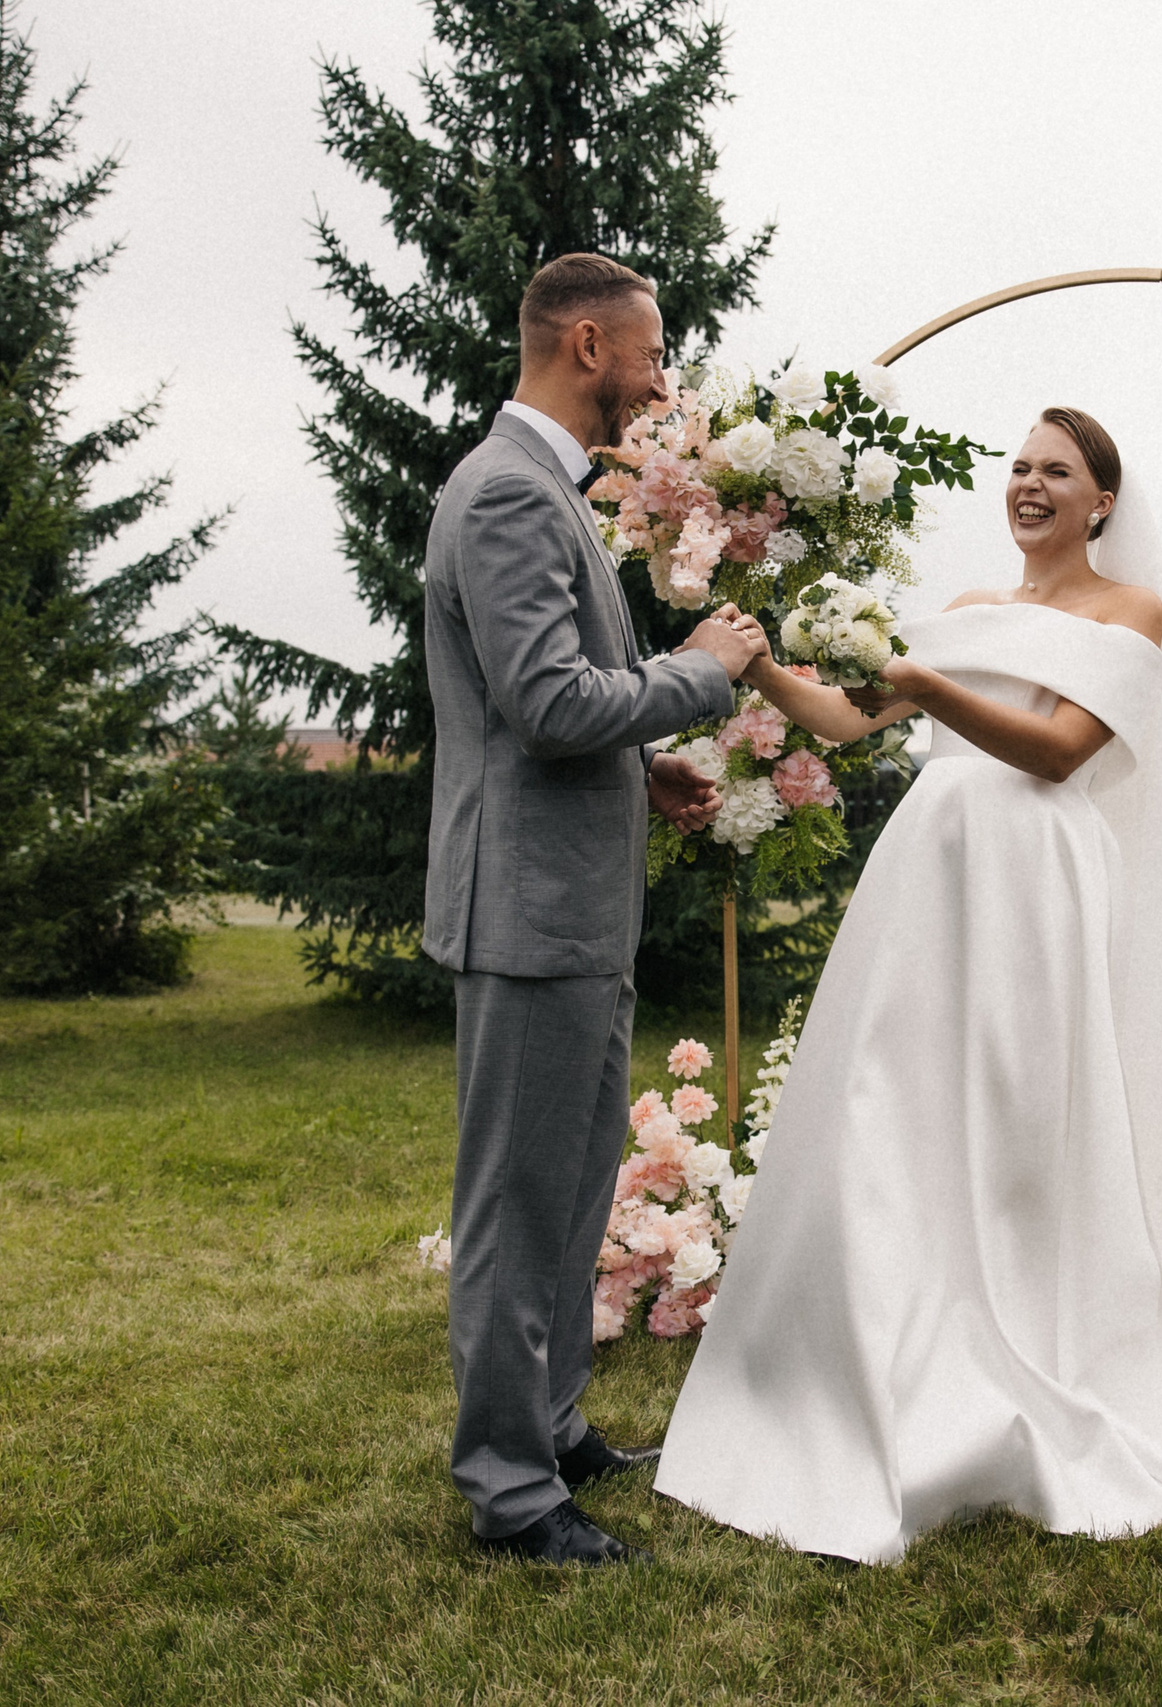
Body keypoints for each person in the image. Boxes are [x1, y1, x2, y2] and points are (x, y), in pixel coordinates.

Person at [653, 408, 1162, 1563]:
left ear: (1102, 500)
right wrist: (763, 670)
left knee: (1017, 1103)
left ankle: (1032, 1331)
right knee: (895, 1096)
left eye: (1059, 472)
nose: (1031, 486)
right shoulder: (969, 615)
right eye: (1019, 468)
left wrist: (925, 690)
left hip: (1035, 872)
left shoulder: (1129, 611)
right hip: (931, 867)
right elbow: (848, 719)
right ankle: (883, 1337)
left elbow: (1056, 752)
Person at [421, 251, 771, 1566]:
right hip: (526, 915)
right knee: (518, 1206)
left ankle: (554, 1422)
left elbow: (564, 711)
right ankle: (512, 1492)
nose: (661, 380)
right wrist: (698, 673)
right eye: (651, 354)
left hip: (570, 906)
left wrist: (648, 758)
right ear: (584, 344)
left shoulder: (541, 486)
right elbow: (549, 700)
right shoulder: (510, 492)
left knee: (573, 1190)